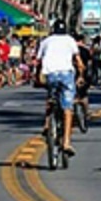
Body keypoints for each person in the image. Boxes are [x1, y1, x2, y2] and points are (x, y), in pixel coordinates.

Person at [35, 20, 83, 157]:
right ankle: (66, 143)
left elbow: (38, 61)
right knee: (68, 109)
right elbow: (78, 61)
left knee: (51, 97)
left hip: (50, 74)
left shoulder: (46, 41)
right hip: (66, 74)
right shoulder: (70, 40)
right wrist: (81, 74)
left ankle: (46, 124)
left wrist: (38, 76)